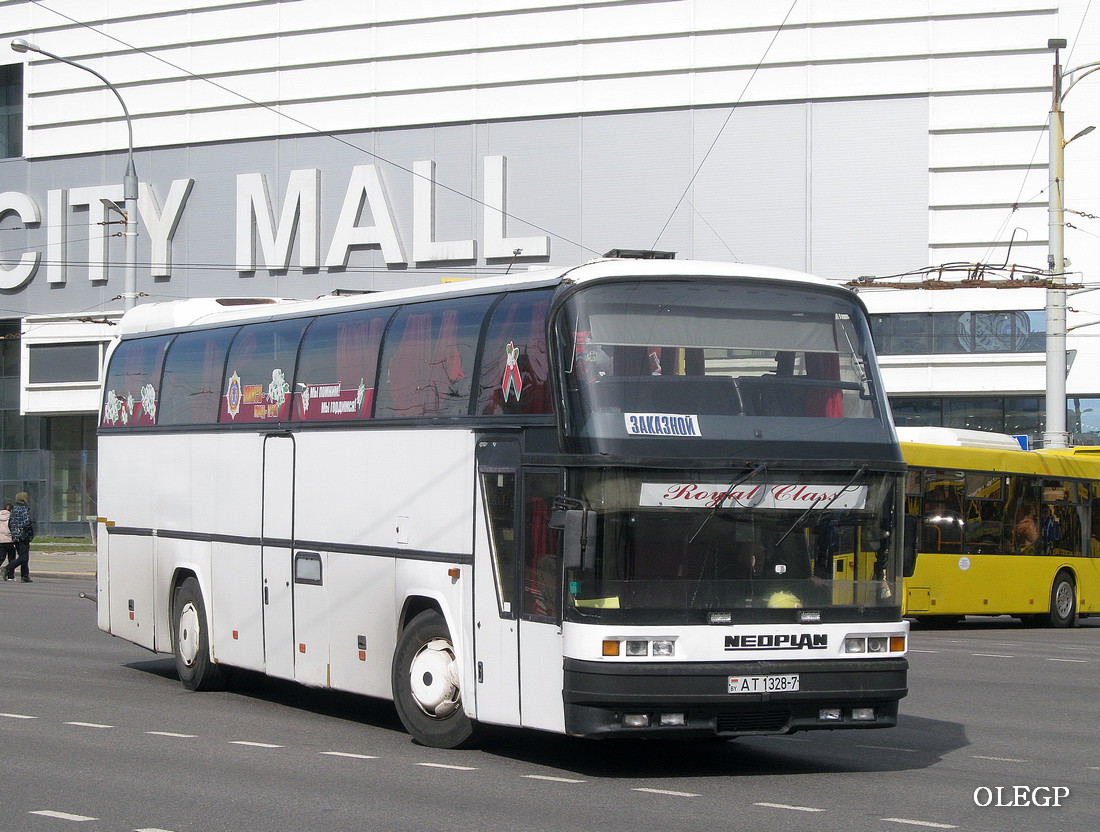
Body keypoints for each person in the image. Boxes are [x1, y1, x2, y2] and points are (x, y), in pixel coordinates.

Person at [5, 492, 34, 583]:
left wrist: (14, 532)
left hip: (15, 536)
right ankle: (7, 568)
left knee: (22, 556)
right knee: (24, 556)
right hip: (23, 536)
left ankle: (25, 576)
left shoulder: (13, 509)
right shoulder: (24, 509)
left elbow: (10, 523)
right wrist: (30, 532)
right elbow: (27, 523)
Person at [0, 503, 15, 579]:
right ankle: (11, 576)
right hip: (10, 540)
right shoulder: (12, 517)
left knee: (1, 557)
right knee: (12, 559)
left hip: (1, 541)